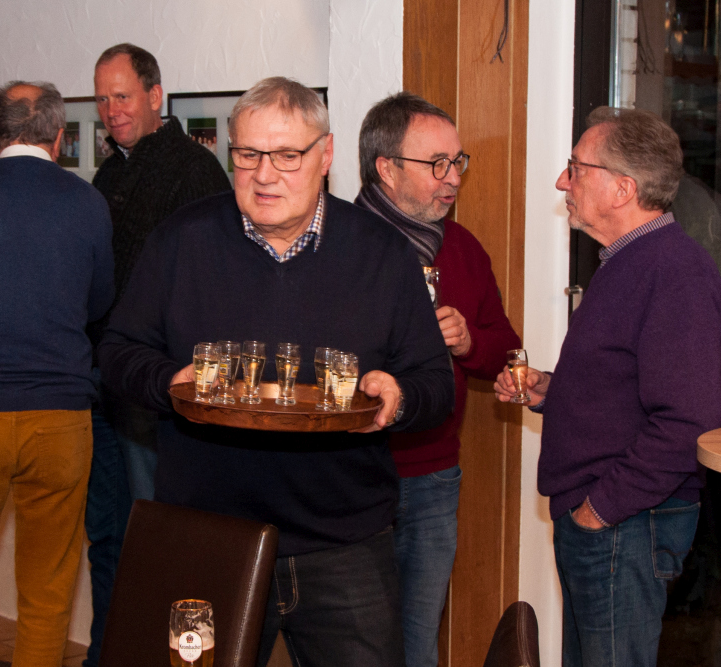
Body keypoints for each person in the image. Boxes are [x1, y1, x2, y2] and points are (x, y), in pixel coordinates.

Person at [98, 76, 455, 667]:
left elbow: (435, 383)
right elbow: (117, 351)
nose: (264, 175)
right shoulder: (181, 241)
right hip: (208, 537)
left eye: (287, 155)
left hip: (345, 545)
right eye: (247, 155)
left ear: (326, 155)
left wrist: (399, 395)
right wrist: (166, 382)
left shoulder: (382, 252)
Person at [494, 107, 721, 667]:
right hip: (612, 521)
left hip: (626, 522)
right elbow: (628, 387)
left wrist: (599, 511)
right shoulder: (630, 262)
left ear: (623, 189)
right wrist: (551, 391)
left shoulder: (675, 273)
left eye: (576, 168)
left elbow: (686, 425)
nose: (562, 181)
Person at [0, 81, 114, 667]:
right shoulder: (87, 202)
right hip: (60, 415)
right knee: (48, 593)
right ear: (58, 136)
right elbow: (99, 302)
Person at [354, 92, 521, 667]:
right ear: (386, 168)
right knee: (351, 647)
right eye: (437, 164)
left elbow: (507, 350)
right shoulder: (337, 246)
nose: (453, 178)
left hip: (433, 478)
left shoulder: (464, 248)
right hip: (348, 474)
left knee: (417, 645)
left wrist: (470, 342)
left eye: (458, 162)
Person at [84, 42, 231, 667]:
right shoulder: (108, 175)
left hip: (159, 398)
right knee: (107, 538)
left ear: (154, 96)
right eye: (102, 99)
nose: (112, 110)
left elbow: (215, 288)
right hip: (104, 387)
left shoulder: (194, 172)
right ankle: (109, 654)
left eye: (122, 96)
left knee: (165, 542)